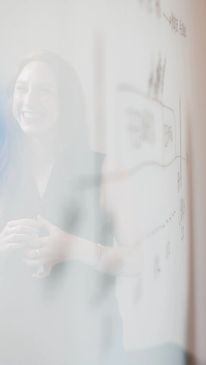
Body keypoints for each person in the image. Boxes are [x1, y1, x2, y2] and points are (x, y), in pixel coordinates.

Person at [0, 50, 129, 365]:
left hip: (89, 337)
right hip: (17, 338)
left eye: (44, 91)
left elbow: (138, 258)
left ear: (66, 102)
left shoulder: (104, 170)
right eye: (22, 88)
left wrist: (72, 247)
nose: (29, 100)